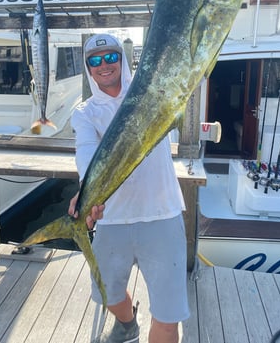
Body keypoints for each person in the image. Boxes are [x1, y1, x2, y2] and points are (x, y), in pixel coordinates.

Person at [68, 34, 189, 343]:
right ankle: (127, 324)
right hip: (112, 219)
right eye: (95, 60)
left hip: (161, 215)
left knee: (167, 315)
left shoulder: (152, 95)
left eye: (111, 57)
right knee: (108, 294)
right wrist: (87, 191)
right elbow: (85, 151)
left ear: (122, 59)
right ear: (88, 69)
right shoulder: (84, 113)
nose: (104, 65)